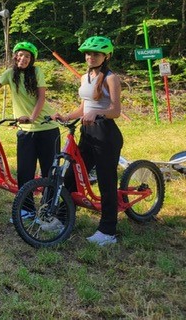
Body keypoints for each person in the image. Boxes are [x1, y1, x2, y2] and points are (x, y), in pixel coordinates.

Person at [0, 41, 60, 222]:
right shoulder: (10, 74)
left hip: (46, 128)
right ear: (15, 56)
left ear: (31, 59)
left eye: (27, 56)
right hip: (25, 129)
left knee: (49, 171)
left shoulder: (37, 72)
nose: (23, 58)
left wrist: (32, 117)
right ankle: (27, 209)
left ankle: (48, 209)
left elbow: (41, 97)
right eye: (20, 55)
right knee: (25, 171)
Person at [52, 36, 123, 247]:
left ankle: (108, 231)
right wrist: (66, 116)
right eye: (88, 53)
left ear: (106, 56)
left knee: (106, 181)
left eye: (96, 54)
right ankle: (62, 219)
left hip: (105, 134)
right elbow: (84, 108)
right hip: (87, 132)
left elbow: (115, 111)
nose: (91, 57)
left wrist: (98, 113)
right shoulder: (85, 77)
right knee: (71, 177)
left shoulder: (111, 78)